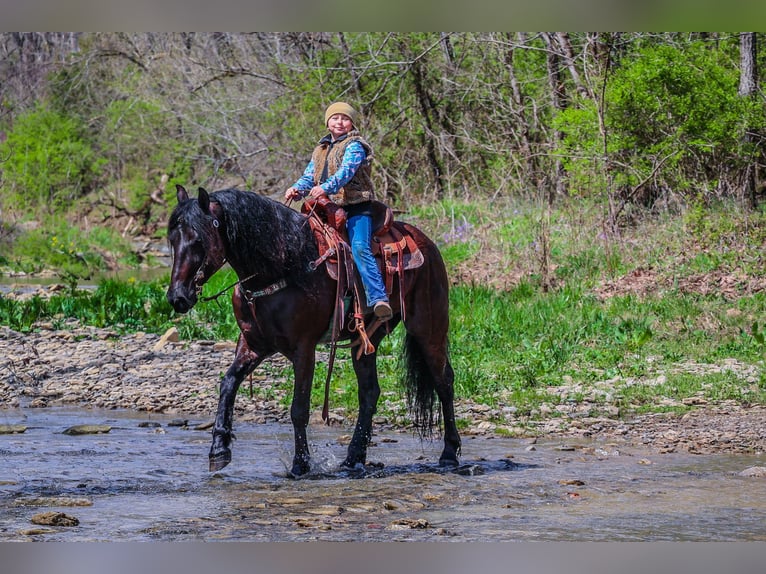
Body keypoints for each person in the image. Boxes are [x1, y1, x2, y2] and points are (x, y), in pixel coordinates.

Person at [285, 102, 393, 320]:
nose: (340, 122)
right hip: (325, 208)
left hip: (356, 208)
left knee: (360, 247)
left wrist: (324, 188)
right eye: (335, 118)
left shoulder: (355, 146)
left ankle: (378, 298)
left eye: (345, 118)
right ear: (328, 122)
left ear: (352, 122)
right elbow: (310, 175)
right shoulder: (320, 149)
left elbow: (346, 172)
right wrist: (297, 188)